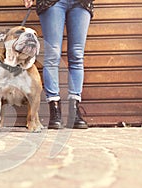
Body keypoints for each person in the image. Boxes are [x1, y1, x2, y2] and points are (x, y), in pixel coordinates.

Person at [24, 0, 94, 129]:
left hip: (82, 2)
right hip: (51, 2)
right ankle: (54, 110)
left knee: (77, 55)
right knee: (52, 55)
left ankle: (74, 110)